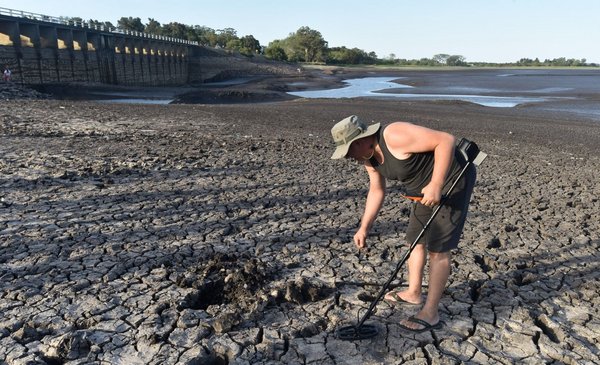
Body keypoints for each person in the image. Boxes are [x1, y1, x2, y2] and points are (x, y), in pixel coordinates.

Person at [330, 115, 477, 333]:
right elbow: (377, 190)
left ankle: (431, 312)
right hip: (421, 190)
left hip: (451, 180)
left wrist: (436, 184)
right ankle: (414, 292)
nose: (348, 158)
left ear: (359, 141)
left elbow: (446, 140)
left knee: (438, 249)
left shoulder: (394, 135)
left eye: (348, 151)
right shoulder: (368, 158)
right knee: (414, 242)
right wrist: (364, 227)